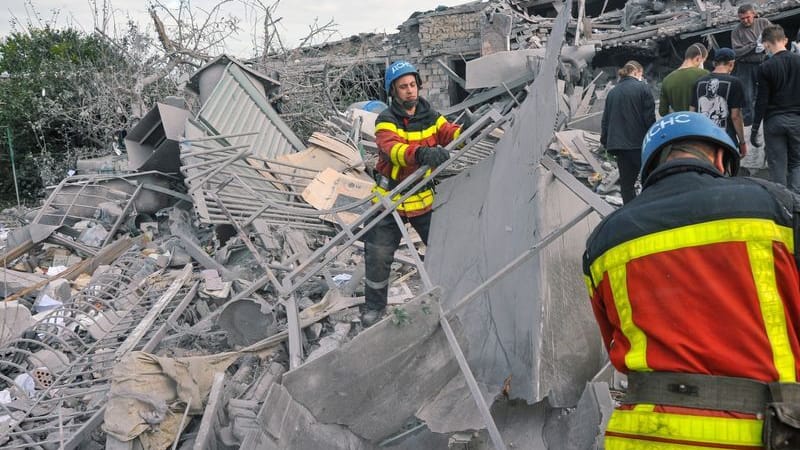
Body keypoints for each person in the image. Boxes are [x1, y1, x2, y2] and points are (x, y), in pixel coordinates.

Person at [584, 111, 800, 449]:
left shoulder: (604, 241)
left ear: (652, 169)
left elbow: (613, 335)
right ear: (719, 157)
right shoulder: (777, 207)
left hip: (641, 434)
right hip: (763, 430)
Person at [362, 60, 462, 325]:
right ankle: (374, 308)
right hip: (390, 199)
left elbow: (448, 132)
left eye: (412, 85)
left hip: (422, 197)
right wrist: (421, 153)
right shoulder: (386, 120)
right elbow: (391, 150)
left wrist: (464, 132)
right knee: (378, 256)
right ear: (393, 91)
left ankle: (454, 297)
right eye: (403, 86)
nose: (410, 91)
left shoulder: (430, 114)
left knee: (443, 250)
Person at [751, 24, 800, 194]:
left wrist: (755, 128)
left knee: (777, 165)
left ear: (765, 44)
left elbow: (761, 101)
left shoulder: (765, 67)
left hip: (774, 121)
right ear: (785, 40)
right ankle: (797, 205)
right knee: (797, 163)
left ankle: (782, 205)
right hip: (797, 120)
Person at [600, 60, 656, 203]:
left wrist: (605, 141)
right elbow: (649, 119)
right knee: (649, 181)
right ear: (637, 72)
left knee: (627, 185)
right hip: (639, 145)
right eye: (641, 74)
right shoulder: (643, 89)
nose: (641, 78)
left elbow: (605, 120)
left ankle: (629, 212)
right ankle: (648, 210)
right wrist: (654, 140)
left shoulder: (613, 92)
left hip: (619, 146)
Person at [690, 47, 748, 159]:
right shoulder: (735, 83)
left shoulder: (698, 82)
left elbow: (692, 113)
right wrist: (742, 142)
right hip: (726, 139)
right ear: (731, 64)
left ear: (714, 63)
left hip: (703, 139)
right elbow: (736, 116)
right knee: (725, 172)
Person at [731, 3, 772, 125]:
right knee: (747, 95)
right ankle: (750, 123)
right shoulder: (736, 31)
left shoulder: (763, 23)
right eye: (742, 18)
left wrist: (765, 45)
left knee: (769, 89)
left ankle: (770, 117)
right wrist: (753, 46)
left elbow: (775, 36)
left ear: (753, 14)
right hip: (746, 66)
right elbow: (737, 52)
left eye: (748, 17)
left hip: (765, 62)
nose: (745, 20)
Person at [659, 42, 708, 117]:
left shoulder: (667, 80)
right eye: (703, 61)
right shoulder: (705, 75)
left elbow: (662, 112)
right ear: (698, 58)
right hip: (701, 124)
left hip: (681, 125)